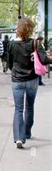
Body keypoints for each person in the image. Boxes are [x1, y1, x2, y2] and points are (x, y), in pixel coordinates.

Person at [8, 18, 52, 148]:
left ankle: (19, 138)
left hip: (17, 80)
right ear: (31, 29)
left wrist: (16, 71)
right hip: (32, 79)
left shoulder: (11, 44)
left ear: (18, 29)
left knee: (18, 109)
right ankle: (27, 133)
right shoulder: (35, 43)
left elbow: (10, 63)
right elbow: (44, 60)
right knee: (29, 107)